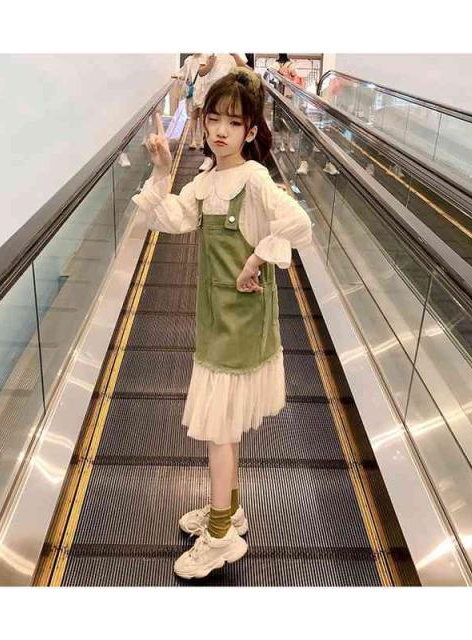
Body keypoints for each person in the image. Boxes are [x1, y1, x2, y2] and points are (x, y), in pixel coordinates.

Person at [132, 67, 313, 580]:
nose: (220, 131)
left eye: (234, 123)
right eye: (214, 119)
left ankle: (218, 538)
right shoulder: (207, 180)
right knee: (225, 428)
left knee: (219, 431)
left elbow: (298, 223)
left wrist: (255, 260)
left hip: (241, 322)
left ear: (251, 130)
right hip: (217, 317)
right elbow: (170, 219)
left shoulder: (253, 179)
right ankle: (228, 512)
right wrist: (161, 171)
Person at [195, 54, 247, 171]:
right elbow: (201, 72)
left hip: (231, 93)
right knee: (211, 123)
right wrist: (210, 64)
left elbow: (244, 69)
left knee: (230, 125)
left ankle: (229, 157)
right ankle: (209, 157)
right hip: (212, 92)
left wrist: (234, 55)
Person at [173, 53, 205, 149]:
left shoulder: (206, 58)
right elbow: (183, 73)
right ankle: (193, 140)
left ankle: (202, 141)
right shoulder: (188, 60)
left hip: (203, 91)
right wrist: (177, 76)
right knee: (194, 116)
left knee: (202, 117)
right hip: (193, 91)